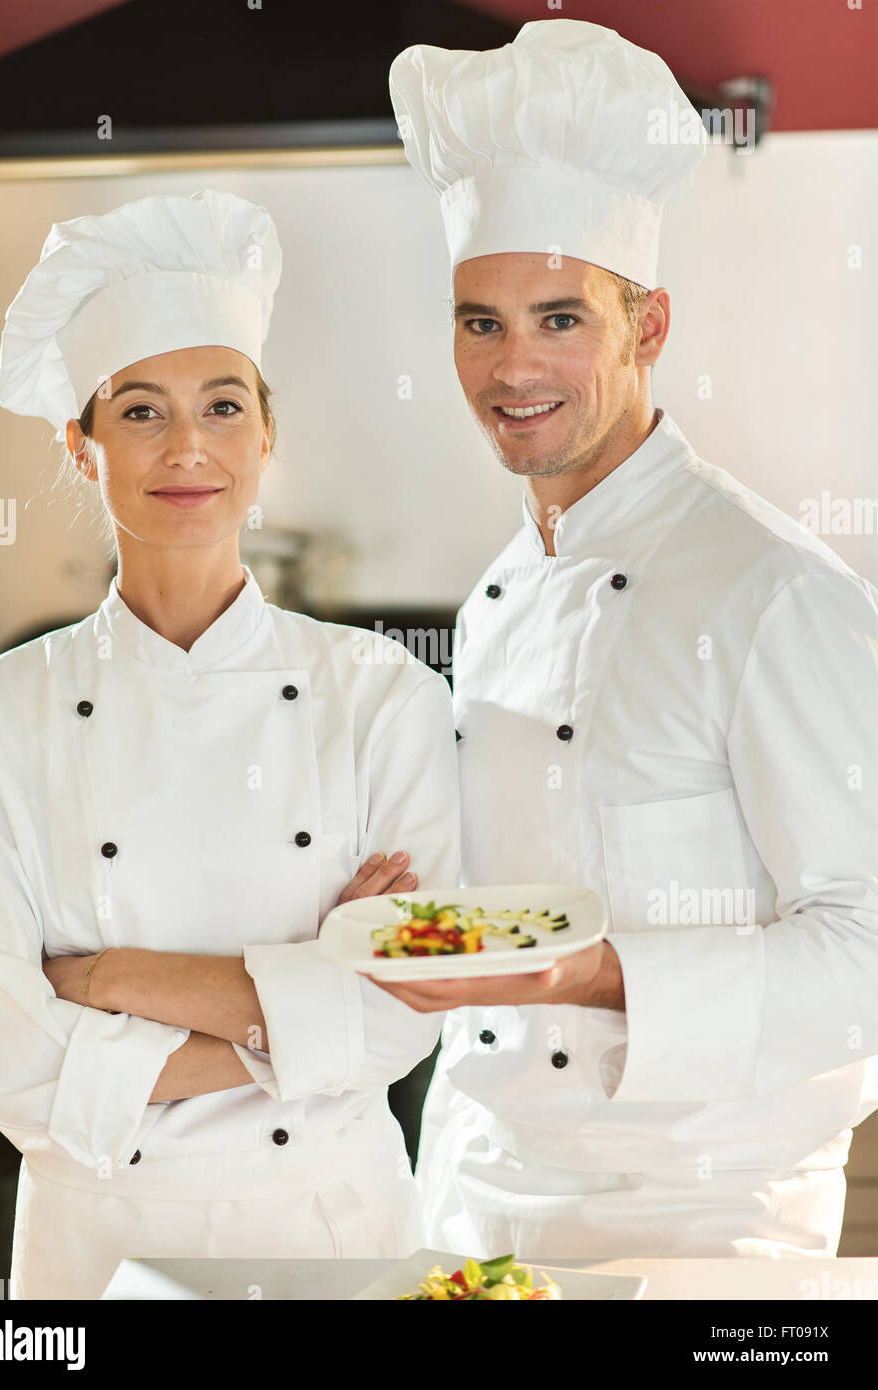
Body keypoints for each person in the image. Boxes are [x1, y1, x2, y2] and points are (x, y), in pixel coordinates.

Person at [380, 19, 878, 1259]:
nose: (512, 367)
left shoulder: (770, 593)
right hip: (478, 1201)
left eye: (559, 318)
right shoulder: (501, 588)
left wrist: (592, 978)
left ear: (647, 327)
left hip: (698, 1222)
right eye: (478, 322)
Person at [0, 189, 459, 1299]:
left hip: (332, 1229)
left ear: (267, 437)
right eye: (137, 412)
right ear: (80, 447)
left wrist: (107, 979)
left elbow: (403, 1019)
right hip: (97, 1249)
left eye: (222, 407)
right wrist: (305, 1007)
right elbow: (15, 1072)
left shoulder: (385, 697)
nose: (187, 446)